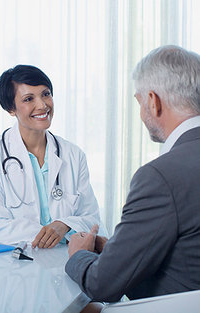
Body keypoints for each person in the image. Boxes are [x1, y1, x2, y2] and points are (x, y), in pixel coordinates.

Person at [65, 45, 200, 304]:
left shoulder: (160, 176)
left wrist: (78, 255)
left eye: (139, 102)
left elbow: (101, 284)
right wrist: (117, 250)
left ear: (153, 101)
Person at [0, 65, 102, 247]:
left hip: (65, 262)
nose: (42, 105)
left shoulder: (73, 154)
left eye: (46, 94)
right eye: (28, 99)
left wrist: (64, 225)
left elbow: (92, 219)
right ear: (11, 108)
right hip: (14, 265)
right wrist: (52, 233)